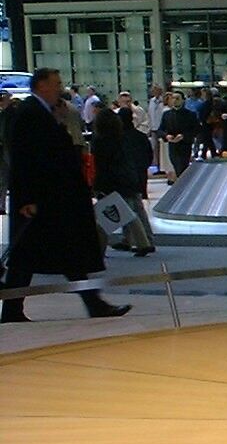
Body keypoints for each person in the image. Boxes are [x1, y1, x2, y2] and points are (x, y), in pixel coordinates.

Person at [1, 68, 130, 322]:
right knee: (37, 256)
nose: (60, 88)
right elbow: (24, 158)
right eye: (56, 83)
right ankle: (92, 304)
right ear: (41, 86)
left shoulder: (44, 113)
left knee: (38, 256)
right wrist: (28, 198)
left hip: (50, 199)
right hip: (42, 200)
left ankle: (16, 309)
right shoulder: (29, 113)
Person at [93, 103, 155, 256]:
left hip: (111, 181)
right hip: (127, 178)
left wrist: (96, 184)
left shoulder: (100, 141)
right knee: (128, 212)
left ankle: (99, 251)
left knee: (106, 216)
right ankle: (143, 242)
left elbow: (101, 165)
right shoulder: (122, 138)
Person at [161, 90, 198, 183]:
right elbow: (160, 129)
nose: (174, 100)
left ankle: (181, 183)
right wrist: (167, 136)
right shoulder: (166, 114)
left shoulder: (190, 115)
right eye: (173, 98)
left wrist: (183, 136)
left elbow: (197, 129)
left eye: (177, 98)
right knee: (175, 163)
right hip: (172, 145)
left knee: (182, 165)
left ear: (183, 100)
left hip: (185, 144)